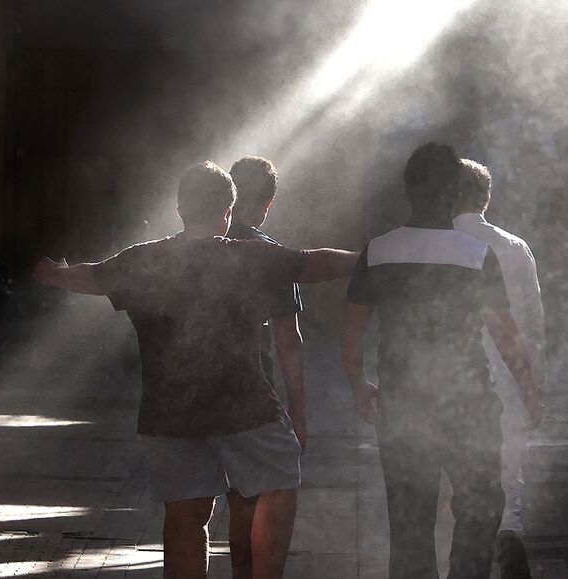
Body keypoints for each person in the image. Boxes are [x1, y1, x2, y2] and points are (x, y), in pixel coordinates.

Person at [33, 161, 358, 579]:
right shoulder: (247, 257)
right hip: (243, 408)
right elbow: (312, 264)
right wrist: (369, 257)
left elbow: (90, 277)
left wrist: (54, 273)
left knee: (186, 517)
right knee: (278, 480)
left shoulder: (143, 261)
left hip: (168, 415)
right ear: (228, 212)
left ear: (180, 208)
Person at [341, 143, 538, 579]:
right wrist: (529, 391)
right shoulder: (474, 254)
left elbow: (352, 332)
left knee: (409, 523)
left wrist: (358, 384)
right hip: (467, 404)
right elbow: (506, 336)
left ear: (408, 191)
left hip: (402, 404)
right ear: (454, 193)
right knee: (481, 505)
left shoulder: (378, 251)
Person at [452, 159, 545, 579]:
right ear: (486, 199)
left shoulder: (438, 242)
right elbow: (531, 322)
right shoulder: (515, 247)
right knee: (509, 477)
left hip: (451, 382)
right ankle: (509, 532)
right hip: (506, 381)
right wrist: (533, 388)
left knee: (452, 485)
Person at [224, 155, 306, 579]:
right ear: (268, 204)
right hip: (252, 393)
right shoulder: (271, 255)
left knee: (212, 504)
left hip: (189, 391)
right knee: (266, 491)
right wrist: (299, 412)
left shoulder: (189, 249)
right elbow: (288, 340)